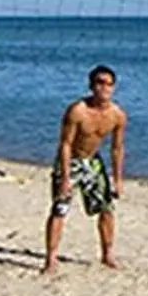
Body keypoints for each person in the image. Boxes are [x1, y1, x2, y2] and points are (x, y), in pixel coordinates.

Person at [43, 65, 126, 274]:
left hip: (93, 162)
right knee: (60, 208)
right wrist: (65, 177)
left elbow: (117, 148)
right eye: (99, 82)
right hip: (70, 160)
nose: (104, 87)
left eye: (108, 84)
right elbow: (65, 144)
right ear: (91, 86)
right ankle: (51, 258)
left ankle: (107, 254)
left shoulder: (117, 115)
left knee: (107, 209)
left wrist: (117, 179)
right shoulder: (77, 111)